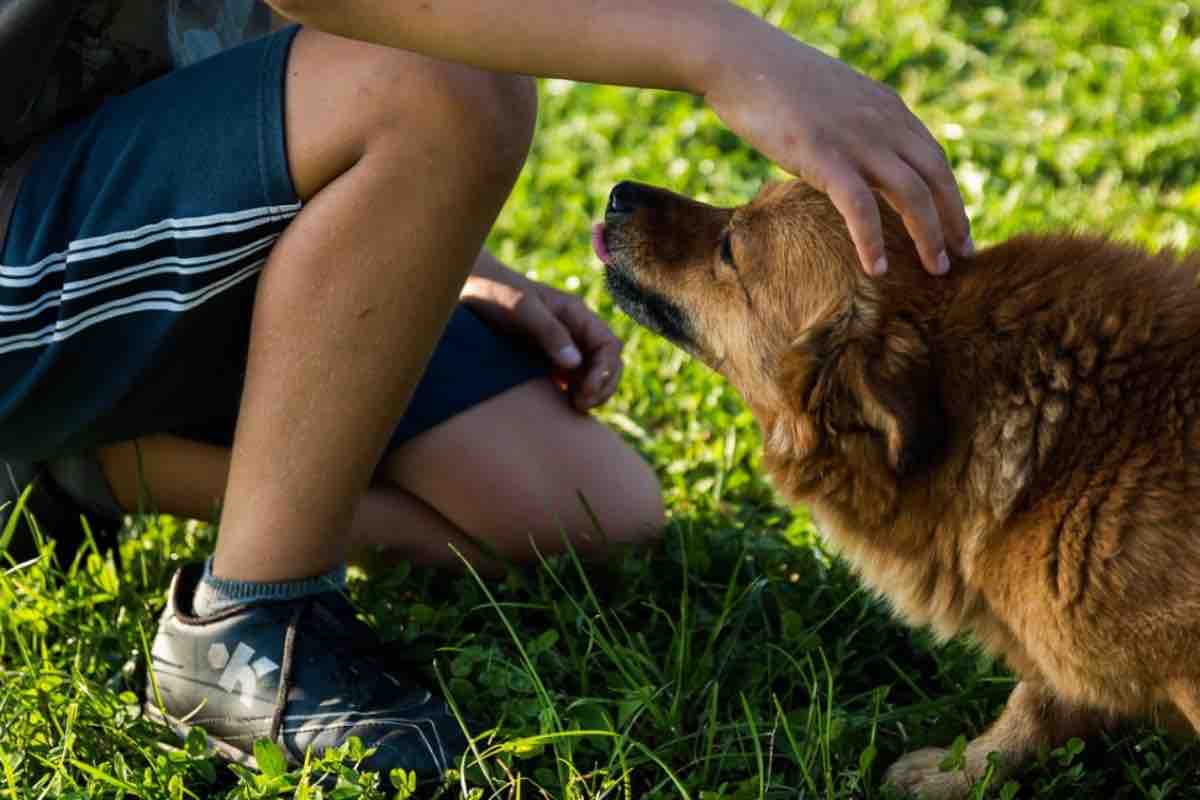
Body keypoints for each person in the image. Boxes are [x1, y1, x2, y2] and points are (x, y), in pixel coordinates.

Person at [0, 0, 972, 783]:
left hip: (161, 201)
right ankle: (250, 622)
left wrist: (424, 239)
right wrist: (727, 48)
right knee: (450, 85)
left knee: (583, 509)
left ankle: (86, 462)